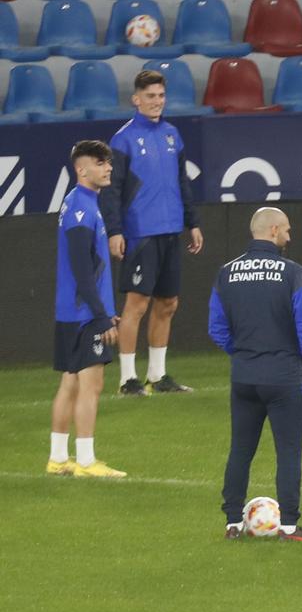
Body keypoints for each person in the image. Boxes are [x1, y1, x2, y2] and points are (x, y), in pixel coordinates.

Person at [209, 207, 302, 541]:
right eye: (287, 230)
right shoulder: (292, 272)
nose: (289, 237)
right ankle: (288, 525)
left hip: (244, 376)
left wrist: (243, 354)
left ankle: (233, 522)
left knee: (240, 450)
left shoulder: (226, 273)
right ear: (273, 230)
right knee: (288, 451)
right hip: (284, 375)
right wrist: (298, 360)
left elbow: (216, 328)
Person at [102, 69, 204, 396]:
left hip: (171, 230)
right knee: (137, 304)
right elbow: (112, 189)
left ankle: (158, 377)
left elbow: (182, 183)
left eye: (160, 96)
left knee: (168, 303)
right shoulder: (123, 139)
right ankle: (127, 379)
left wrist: (193, 222)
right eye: (150, 96)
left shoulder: (173, 135)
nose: (156, 102)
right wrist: (115, 231)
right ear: (136, 99)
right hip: (140, 233)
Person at [48, 140, 126, 479]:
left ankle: (57, 459)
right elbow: (82, 270)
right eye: (100, 162)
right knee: (91, 384)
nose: (108, 167)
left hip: (73, 312)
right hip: (83, 315)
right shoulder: (81, 209)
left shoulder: (80, 204)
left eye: (108, 162)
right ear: (82, 169)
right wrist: (100, 314)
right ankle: (85, 461)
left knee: (70, 383)